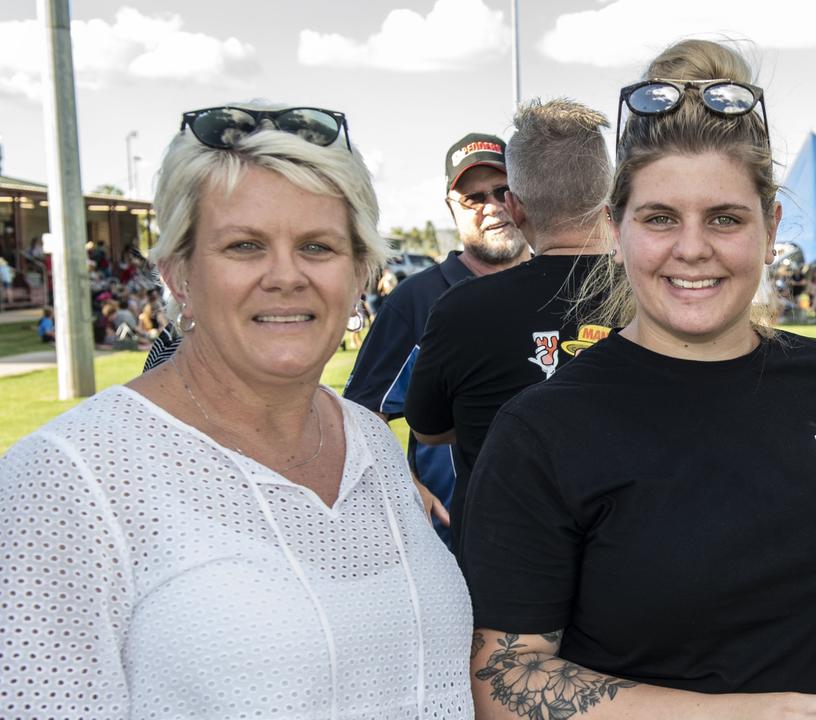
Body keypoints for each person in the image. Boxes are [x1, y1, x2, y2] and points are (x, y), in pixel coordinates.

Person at [461, 40, 816, 720]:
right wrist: (735, 713)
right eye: (660, 218)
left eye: (725, 218)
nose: (693, 248)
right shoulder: (543, 430)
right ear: (614, 227)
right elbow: (503, 678)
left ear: (771, 228)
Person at [0, 102, 474, 718]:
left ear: (360, 272)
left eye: (318, 246)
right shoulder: (67, 481)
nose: (286, 275)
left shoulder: (370, 443)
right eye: (244, 245)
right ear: (178, 273)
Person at [404, 99, 612, 549]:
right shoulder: (661, 296)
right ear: (608, 197)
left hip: (507, 570)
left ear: (515, 207)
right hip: (632, 567)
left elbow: (429, 430)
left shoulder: (460, 309)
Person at [343, 133, 529, 546]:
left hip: (554, 541)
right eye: (474, 198)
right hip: (454, 542)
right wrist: (405, 487)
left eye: (503, 191)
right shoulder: (417, 299)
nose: (492, 207)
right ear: (451, 207)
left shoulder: (561, 285)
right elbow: (360, 414)